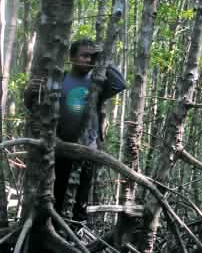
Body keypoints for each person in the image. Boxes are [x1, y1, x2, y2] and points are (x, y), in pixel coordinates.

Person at [24, 38, 126, 221]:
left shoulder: (97, 83)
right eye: (84, 56)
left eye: (92, 57)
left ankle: (75, 235)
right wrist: (28, 94)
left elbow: (119, 83)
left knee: (80, 202)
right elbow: (37, 109)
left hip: (87, 152)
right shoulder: (59, 79)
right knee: (55, 196)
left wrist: (103, 59)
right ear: (71, 57)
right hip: (59, 149)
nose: (88, 60)